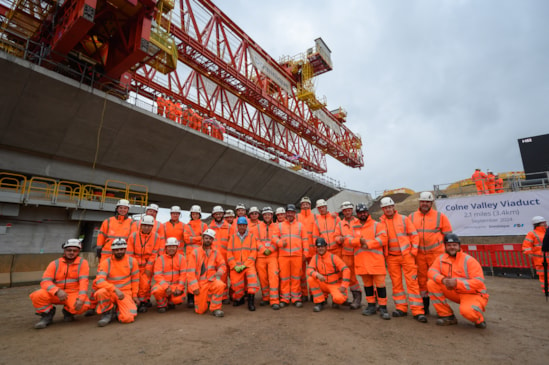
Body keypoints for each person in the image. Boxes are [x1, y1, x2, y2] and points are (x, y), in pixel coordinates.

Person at [379, 197, 427, 323]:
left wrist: (413, 251)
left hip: (407, 256)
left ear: (393, 207)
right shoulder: (380, 223)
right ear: (383, 209)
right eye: (385, 208)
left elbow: (414, 236)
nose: (388, 210)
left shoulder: (404, 219)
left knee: (412, 283)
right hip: (391, 258)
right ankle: (401, 308)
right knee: (396, 284)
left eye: (390, 207)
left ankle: (418, 311)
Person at [428, 233, 489, 328]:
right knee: (431, 283)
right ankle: (447, 316)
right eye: (449, 245)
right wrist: (443, 280)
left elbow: (479, 283)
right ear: (445, 246)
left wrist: (456, 283)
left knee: (467, 312)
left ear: (459, 246)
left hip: (472, 293)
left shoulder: (469, 260)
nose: (452, 247)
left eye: (454, 245)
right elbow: (431, 271)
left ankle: (478, 319)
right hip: (455, 291)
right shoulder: (441, 258)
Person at [29, 239, 90, 329]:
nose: (71, 253)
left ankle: (68, 311)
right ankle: (47, 315)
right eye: (69, 250)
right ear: (64, 251)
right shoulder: (54, 264)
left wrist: (81, 299)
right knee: (37, 295)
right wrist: (57, 291)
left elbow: (83, 283)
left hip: (73, 293)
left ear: (78, 252)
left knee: (84, 305)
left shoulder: (83, 263)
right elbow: (45, 281)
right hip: (56, 294)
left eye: (75, 250)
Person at [409, 192, 453, 315]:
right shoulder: (411, 217)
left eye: (427, 202)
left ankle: (442, 310)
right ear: (419, 202)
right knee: (422, 282)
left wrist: (449, 253)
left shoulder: (440, 216)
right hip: (419, 255)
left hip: (436, 255)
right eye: (423, 201)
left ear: (431, 203)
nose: (425, 204)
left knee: (437, 281)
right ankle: (425, 308)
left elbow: (448, 236)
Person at [350, 203, 391, 320]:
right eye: (360, 212)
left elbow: (383, 239)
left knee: (380, 286)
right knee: (367, 286)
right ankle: (371, 306)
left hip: (376, 262)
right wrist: (358, 241)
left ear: (367, 212)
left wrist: (367, 244)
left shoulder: (377, 225)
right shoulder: (354, 226)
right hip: (362, 262)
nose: (363, 214)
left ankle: (383, 308)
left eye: (364, 212)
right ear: (357, 214)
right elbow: (348, 240)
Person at [95, 238, 140, 327]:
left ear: (125, 249)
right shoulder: (106, 262)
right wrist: (114, 289)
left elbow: (135, 280)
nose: (119, 251)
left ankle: (118, 310)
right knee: (100, 292)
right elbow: (99, 281)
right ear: (113, 250)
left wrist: (134, 295)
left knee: (127, 318)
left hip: (125, 293)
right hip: (111, 292)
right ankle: (107, 313)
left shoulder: (132, 261)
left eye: (121, 249)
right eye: (117, 250)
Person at [127, 215, 164, 312]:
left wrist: (148, 267)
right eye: (144, 225)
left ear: (152, 227)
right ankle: (135, 301)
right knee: (135, 284)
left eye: (149, 226)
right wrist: (133, 267)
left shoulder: (156, 237)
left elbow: (154, 254)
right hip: (135, 264)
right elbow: (130, 253)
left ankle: (143, 301)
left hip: (147, 264)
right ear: (141, 225)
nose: (146, 228)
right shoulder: (133, 236)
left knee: (145, 284)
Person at [274, 204, 308, 307]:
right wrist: (280, 243)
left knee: (296, 278)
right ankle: (285, 299)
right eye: (288, 212)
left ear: (294, 213)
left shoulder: (300, 226)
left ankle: (296, 298)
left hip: (297, 256)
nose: (289, 214)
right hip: (283, 256)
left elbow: (305, 240)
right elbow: (274, 237)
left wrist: (305, 254)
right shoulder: (279, 225)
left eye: (292, 212)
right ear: (286, 213)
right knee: (284, 278)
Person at [187, 229, 227, 317]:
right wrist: (194, 287)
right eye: (206, 238)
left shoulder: (216, 252)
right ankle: (205, 301)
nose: (208, 240)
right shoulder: (195, 252)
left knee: (220, 285)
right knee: (200, 311)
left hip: (211, 280)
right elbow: (190, 272)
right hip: (200, 284)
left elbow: (222, 265)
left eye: (210, 238)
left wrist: (220, 271)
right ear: (202, 239)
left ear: (212, 240)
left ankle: (215, 308)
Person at [307, 238, 350, 312]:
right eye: (318, 247)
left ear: (326, 247)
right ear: (316, 248)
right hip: (323, 284)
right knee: (311, 279)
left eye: (322, 246)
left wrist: (344, 285)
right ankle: (320, 302)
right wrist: (316, 274)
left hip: (335, 284)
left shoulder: (333, 257)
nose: (320, 248)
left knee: (339, 299)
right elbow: (309, 270)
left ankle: (336, 300)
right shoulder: (315, 258)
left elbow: (346, 270)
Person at [227, 217, 259, 311]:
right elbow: (229, 253)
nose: (242, 227)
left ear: (246, 226)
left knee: (252, 281)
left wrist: (246, 264)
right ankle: (239, 299)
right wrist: (234, 265)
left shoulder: (252, 237)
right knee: (236, 284)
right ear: (237, 226)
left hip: (248, 265)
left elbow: (253, 252)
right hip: (236, 265)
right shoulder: (232, 238)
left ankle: (251, 302)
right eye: (240, 225)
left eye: (243, 225)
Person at [334, 201, 362, 309]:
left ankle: (374, 301)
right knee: (350, 277)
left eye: (349, 210)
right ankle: (357, 299)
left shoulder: (359, 222)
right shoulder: (340, 224)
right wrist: (339, 239)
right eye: (345, 210)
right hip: (347, 254)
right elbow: (335, 236)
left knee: (367, 277)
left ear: (352, 210)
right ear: (343, 212)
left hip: (360, 254)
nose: (347, 212)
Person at [151, 237, 187, 313]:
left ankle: (171, 302)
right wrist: (166, 287)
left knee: (178, 299)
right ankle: (162, 304)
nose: (171, 249)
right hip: (163, 286)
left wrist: (179, 288)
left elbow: (183, 275)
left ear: (177, 247)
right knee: (156, 290)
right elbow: (157, 275)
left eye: (173, 246)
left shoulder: (182, 258)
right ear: (166, 248)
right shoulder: (160, 259)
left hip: (175, 286)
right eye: (169, 247)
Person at [183, 204, 208, 308]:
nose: (195, 215)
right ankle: (190, 298)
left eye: (197, 214)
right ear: (191, 214)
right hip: (190, 253)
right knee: (191, 275)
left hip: (201, 252)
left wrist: (194, 238)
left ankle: (200, 296)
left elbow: (206, 238)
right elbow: (186, 239)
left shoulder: (204, 225)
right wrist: (199, 237)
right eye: (193, 213)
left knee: (202, 274)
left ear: (199, 214)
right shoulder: (187, 225)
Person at [257, 207, 280, 310]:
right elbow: (256, 240)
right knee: (263, 278)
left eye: (269, 214)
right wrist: (263, 249)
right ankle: (266, 298)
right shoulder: (257, 227)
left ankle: (274, 300)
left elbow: (278, 240)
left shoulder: (277, 227)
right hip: (261, 256)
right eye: (265, 214)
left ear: (272, 215)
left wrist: (270, 249)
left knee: (273, 278)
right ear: (263, 215)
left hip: (272, 256)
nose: (267, 216)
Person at [209, 205, 231, 303]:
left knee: (223, 276)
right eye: (216, 214)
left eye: (220, 214)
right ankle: (213, 296)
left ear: (223, 214)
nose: (218, 215)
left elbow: (232, 242)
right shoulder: (209, 227)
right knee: (212, 276)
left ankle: (224, 296)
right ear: (213, 215)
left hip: (225, 256)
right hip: (212, 257)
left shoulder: (229, 227)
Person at [522, 216, 547, 292]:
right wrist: (529, 253)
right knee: (544, 276)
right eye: (544, 222)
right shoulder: (532, 234)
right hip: (540, 260)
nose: (546, 223)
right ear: (538, 224)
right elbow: (526, 246)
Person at [297, 196, 315, 300]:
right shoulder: (297, 217)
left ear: (310, 205)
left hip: (312, 251)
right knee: (301, 274)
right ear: (300, 206)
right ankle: (304, 294)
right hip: (301, 251)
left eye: (307, 204)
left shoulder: (315, 217)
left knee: (312, 274)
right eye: (303, 204)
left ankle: (313, 294)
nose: (305, 205)